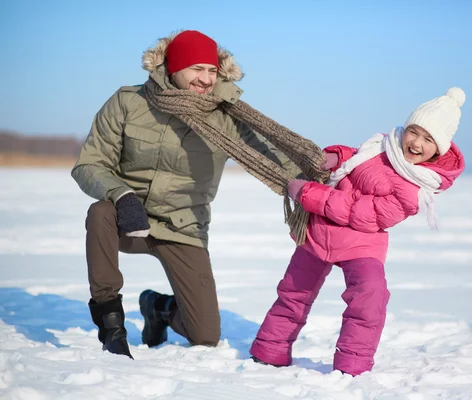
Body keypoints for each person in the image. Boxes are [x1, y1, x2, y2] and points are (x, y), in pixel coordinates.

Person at [71, 30, 303, 358]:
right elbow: (90, 164)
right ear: (174, 67)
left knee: (205, 335)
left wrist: (324, 178)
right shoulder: (128, 102)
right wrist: (121, 195)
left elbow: (269, 155)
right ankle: (111, 324)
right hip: (127, 218)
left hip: (183, 225)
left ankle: (159, 308)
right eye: (197, 69)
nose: (206, 79)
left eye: (212, 71)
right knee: (100, 212)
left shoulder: (224, 115)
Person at [249, 88, 467, 376]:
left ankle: (352, 364)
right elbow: (353, 157)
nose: (416, 142)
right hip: (319, 233)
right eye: (414, 132)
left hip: (361, 246)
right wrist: (333, 157)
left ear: (438, 149)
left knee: (370, 296)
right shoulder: (379, 147)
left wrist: (307, 193)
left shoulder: (416, 189)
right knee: (294, 292)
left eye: (428, 139)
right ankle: (270, 349)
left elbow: (361, 213)